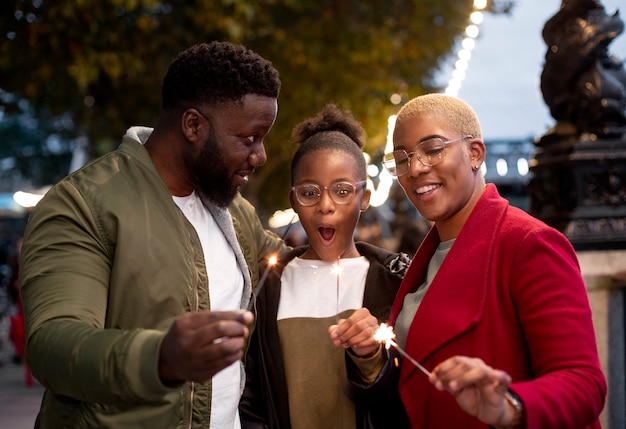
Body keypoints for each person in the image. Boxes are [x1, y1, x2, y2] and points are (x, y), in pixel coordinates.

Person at [19, 41, 287, 428]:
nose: (260, 155)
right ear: (193, 125)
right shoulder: (83, 204)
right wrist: (159, 357)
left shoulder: (234, 211)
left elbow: (294, 262)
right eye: (249, 138)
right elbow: (53, 345)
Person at [331, 93, 607, 428]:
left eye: (432, 149)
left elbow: (584, 383)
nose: (415, 168)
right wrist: (372, 356)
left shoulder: (529, 243)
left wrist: (510, 406)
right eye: (402, 159)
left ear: (474, 153)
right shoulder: (427, 256)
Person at [239, 104, 411, 429]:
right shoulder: (269, 283)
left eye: (343, 191)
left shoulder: (396, 280)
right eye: (309, 193)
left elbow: (409, 399)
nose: (326, 206)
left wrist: (371, 360)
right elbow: (251, 396)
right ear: (293, 201)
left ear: (364, 198)